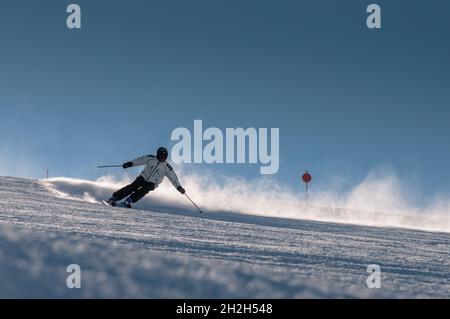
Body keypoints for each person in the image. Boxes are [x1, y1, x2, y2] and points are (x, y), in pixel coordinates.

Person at [107, 147, 185, 208]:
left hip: (153, 182)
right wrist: (130, 164)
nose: (162, 158)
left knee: (144, 189)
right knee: (132, 186)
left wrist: (178, 187)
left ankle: (129, 200)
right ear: (157, 154)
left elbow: (173, 178)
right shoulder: (150, 158)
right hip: (143, 177)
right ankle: (114, 198)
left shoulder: (167, 167)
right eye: (161, 156)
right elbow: (140, 160)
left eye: (164, 157)